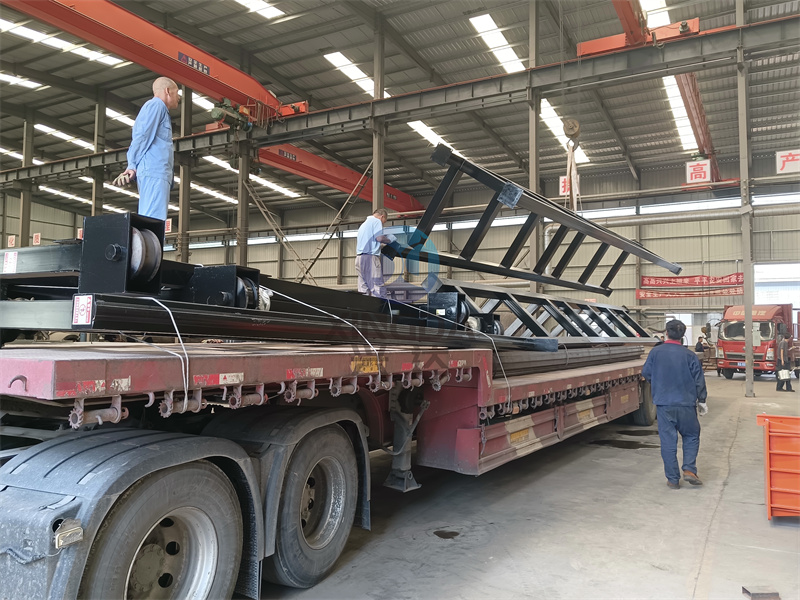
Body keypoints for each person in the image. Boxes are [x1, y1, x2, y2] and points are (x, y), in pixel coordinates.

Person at [642, 319, 708, 490]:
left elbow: (646, 373)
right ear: (682, 335)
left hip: (664, 404)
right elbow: (699, 380)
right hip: (686, 404)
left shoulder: (656, 353)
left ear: (666, 333)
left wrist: (659, 384)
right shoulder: (690, 355)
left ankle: (672, 479)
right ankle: (689, 470)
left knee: (668, 441)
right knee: (691, 435)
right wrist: (702, 400)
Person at [114, 77, 180, 221]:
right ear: (167, 91)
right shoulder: (156, 105)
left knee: (153, 219)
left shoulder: (160, 110)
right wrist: (132, 164)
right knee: (153, 220)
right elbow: (142, 136)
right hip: (154, 172)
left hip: (157, 172)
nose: (179, 97)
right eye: (177, 92)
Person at [355, 208, 395, 297]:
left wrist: (379, 246)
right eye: (384, 222)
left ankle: (363, 305)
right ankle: (380, 305)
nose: (383, 224)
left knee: (363, 287)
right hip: (370, 258)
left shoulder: (364, 225)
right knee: (377, 286)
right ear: (382, 217)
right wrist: (389, 240)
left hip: (359, 258)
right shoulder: (377, 221)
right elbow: (379, 238)